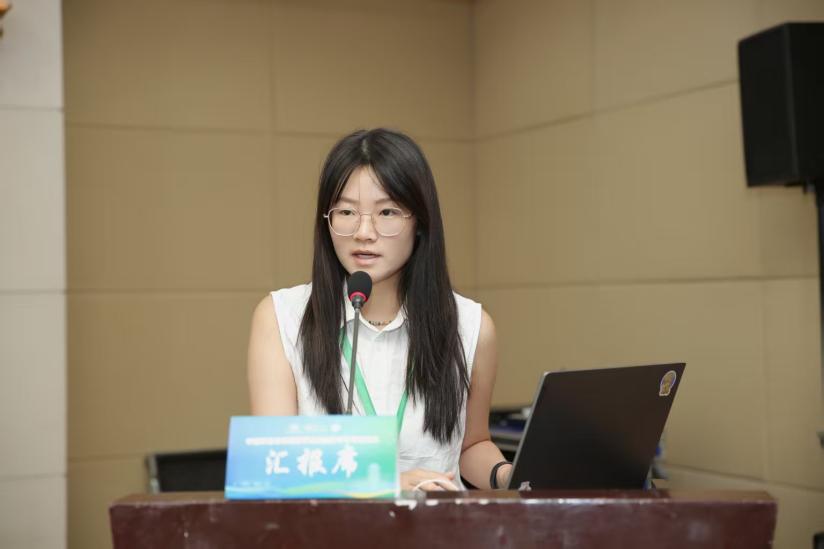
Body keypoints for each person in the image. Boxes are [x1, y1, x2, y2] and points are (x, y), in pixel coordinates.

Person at [247, 128, 511, 491]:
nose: (363, 232)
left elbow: (471, 445)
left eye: (387, 212)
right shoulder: (282, 318)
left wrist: (508, 475)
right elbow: (273, 463)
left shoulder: (470, 326)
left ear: (420, 222)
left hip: (438, 523)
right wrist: (389, 483)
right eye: (346, 211)